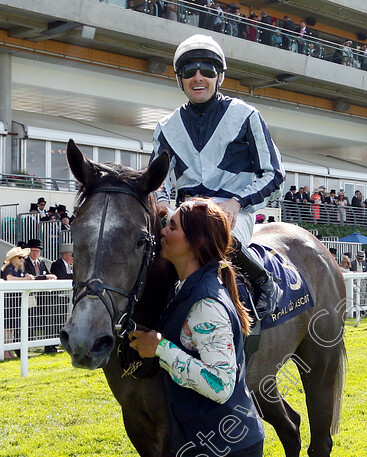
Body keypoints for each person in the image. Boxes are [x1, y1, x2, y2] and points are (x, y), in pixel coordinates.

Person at [150, 34, 285, 318]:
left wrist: (237, 202)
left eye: (207, 70)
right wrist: (163, 206)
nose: (198, 77)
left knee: (215, 237)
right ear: (180, 79)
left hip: (235, 210)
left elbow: (274, 173)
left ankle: (263, 281)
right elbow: (158, 180)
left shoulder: (247, 116)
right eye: (189, 71)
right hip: (184, 212)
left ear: (219, 76)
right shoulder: (165, 127)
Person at [129, 199, 265, 456]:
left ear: (197, 242)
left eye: (172, 227)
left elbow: (221, 384)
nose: (163, 232)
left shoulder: (205, 303)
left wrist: (160, 348)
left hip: (227, 447)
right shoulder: (184, 288)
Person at [1, 246, 34, 359]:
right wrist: (24, 280)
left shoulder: (20, 269)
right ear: (14, 258)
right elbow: (9, 278)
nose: (22, 260)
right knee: (6, 326)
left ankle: (9, 351)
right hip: (8, 301)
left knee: (12, 326)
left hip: (17, 301)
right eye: (20, 257)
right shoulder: (8, 267)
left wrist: (28, 277)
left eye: (23, 258)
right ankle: (5, 351)